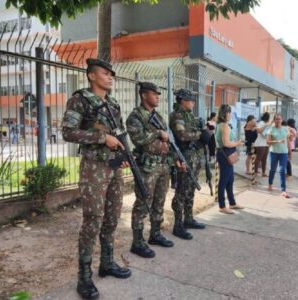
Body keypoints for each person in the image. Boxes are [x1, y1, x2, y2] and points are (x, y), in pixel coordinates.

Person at [61, 58, 131, 300]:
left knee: (112, 217)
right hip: (93, 168)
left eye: (112, 74)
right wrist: (102, 138)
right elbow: (68, 132)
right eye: (105, 73)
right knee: (93, 220)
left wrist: (123, 154)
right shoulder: (80, 99)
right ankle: (84, 277)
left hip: (113, 168)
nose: (110, 77)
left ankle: (107, 263)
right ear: (92, 76)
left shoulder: (112, 103)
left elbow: (120, 133)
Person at [126, 82, 185, 258]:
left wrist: (176, 159)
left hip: (163, 166)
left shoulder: (158, 116)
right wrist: (157, 134)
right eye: (154, 94)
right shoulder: (135, 117)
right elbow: (139, 139)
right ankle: (137, 242)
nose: (158, 96)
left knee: (159, 201)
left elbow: (169, 141)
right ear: (144, 95)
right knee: (143, 204)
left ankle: (155, 234)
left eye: (158, 94)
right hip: (147, 167)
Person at [169, 88, 211, 240]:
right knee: (181, 192)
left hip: (194, 157)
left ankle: (188, 218)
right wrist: (201, 134)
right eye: (191, 100)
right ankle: (178, 225)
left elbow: (195, 131)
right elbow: (181, 135)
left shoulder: (189, 115)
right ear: (182, 100)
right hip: (184, 158)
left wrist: (204, 133)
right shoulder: (177, 115)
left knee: (190, 190)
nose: (193, 102)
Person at [215, 104, 245, 213]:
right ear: (226, 113)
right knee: (224, 180)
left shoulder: (223, 125)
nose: (231, 114)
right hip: (225, 155)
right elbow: (226, 143)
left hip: (224, 154)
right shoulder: (224, 126)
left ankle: (232, 203)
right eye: (230, 112)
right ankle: (222, 206)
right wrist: (237, 143)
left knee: (230, 179)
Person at [267, 114, 292, 198]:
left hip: (284, 153)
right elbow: (268, 142)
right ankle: (270, 183)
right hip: (274, 152)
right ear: (274, 120)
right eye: (276, 119)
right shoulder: (271, 129)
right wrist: (277, 141)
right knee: (273, 169)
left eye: (279, 119)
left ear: (282, 120)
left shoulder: (286, 129)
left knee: (282, 170)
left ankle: (283, 190)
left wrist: (290, 152)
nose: (278, 121)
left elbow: (288, 141)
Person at [253, 112, 271, 177]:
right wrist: (265, 126)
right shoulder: (261, 123)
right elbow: (259, 131)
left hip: (265, 143)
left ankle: (263, 172)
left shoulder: (267, 124)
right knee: (259, 158)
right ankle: (255, 172)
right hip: (260, 143)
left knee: (264, 159)